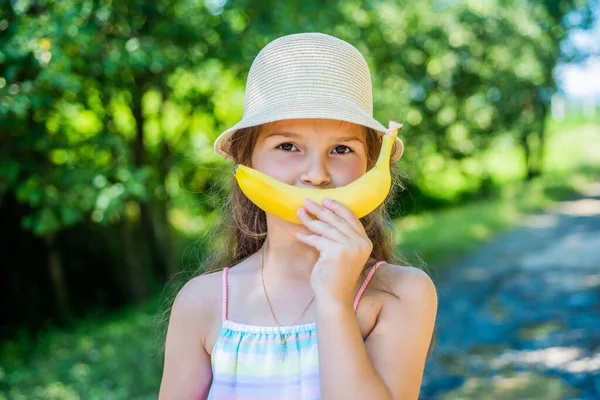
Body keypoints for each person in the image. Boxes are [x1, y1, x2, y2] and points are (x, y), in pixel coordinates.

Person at [158, 32, 438, 400]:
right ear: (247, 162)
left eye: (341, 149)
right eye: (287, 146)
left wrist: (335, 300)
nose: (317, 173)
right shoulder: (202, 302)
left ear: (371, 167)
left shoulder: (402, 294)